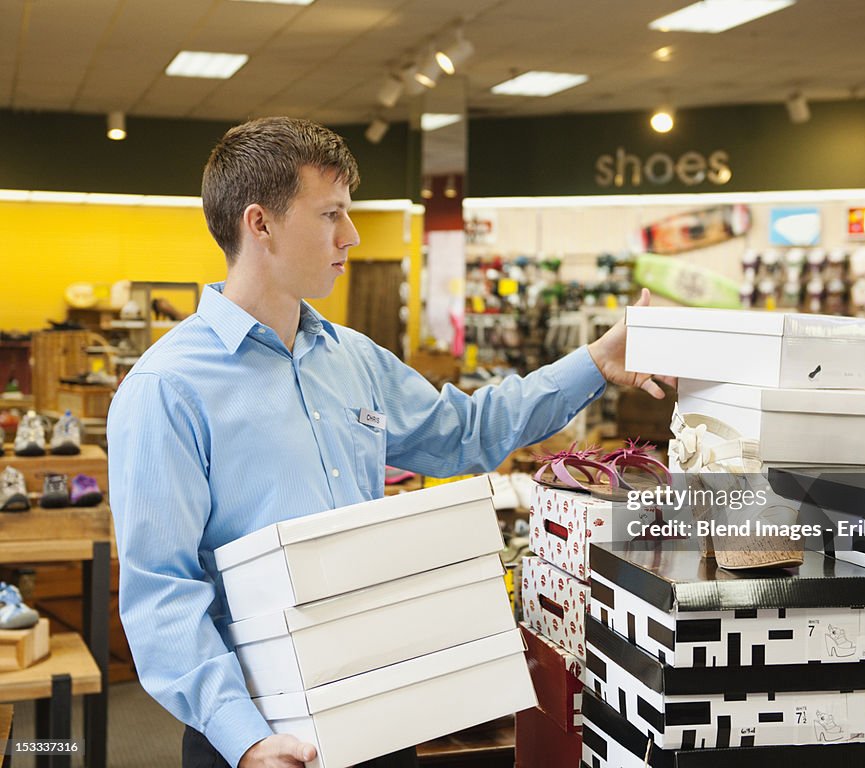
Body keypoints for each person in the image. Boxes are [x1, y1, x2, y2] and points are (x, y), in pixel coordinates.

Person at [107, 116, 671, 768]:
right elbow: (161, 595)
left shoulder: (352, 360)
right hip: (264, 735)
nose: (349, 236)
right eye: (331, 215)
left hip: (383, 713)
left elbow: (467, 433)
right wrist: (247, 738)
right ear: (258, 224)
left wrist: (596, 361)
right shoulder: (166, 389)